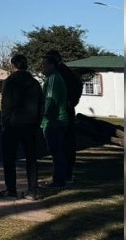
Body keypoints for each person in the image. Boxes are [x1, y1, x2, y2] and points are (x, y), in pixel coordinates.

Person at [0, 54, 43, 199]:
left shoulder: (10, 81)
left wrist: (4, 122)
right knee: (31, 159)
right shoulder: (34, 83)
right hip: (31, 125)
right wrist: (37, 122)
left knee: (9, 158)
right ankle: (32, 190)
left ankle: (11, 190)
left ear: (13, 65)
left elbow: (6, 105)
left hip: (13, 124)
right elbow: (41, 105)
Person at [47, 50, 83, 183]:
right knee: (68, 144)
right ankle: (67, 174)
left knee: (59, 146)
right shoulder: (68, 72)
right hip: (68, 111)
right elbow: (78, 85)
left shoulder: (57, 75)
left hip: (60, 114)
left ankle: (60, 176)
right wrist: (73, 101)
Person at [40, 53, 70, 189]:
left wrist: (43, 114)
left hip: (54, 121)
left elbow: (50, 100)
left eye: (44, 64)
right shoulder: (52, 78)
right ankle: (59, 178)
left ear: (52, 65)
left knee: (57, 152)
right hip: (56, 121)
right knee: (57, 152)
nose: (42, 67)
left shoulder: (53, 79)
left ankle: (59, 180)